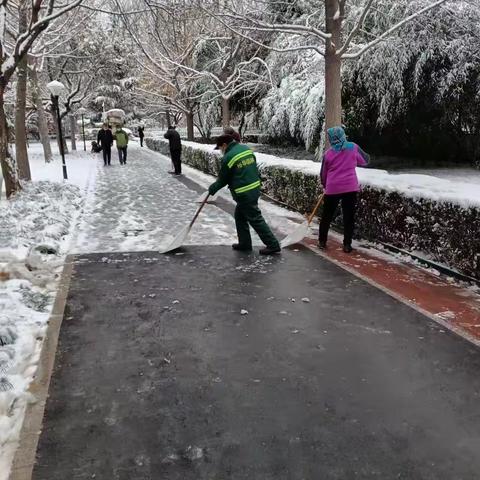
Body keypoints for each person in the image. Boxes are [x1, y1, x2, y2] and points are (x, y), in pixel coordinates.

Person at [208, 134, 281, 255]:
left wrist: (212, 189)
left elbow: (222, 179)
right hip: (254, 188)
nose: (221, 151)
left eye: (220, 148)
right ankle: (245, 243)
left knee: (255, 218)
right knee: (240, 216)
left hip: (243, 192)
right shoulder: (246, 149)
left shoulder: (229, 157)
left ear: (225, 145)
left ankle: (273, 244)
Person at [318, 126, 369, 253]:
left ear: (330, 139)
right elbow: (365, 161)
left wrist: (325, 185)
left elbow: (323, 173)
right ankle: (347, 245)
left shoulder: (328, 154)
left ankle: (322, 241)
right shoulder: (353, 147)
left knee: (327, 216)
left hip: (332, 188)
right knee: (349, 217)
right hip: (350, 187)